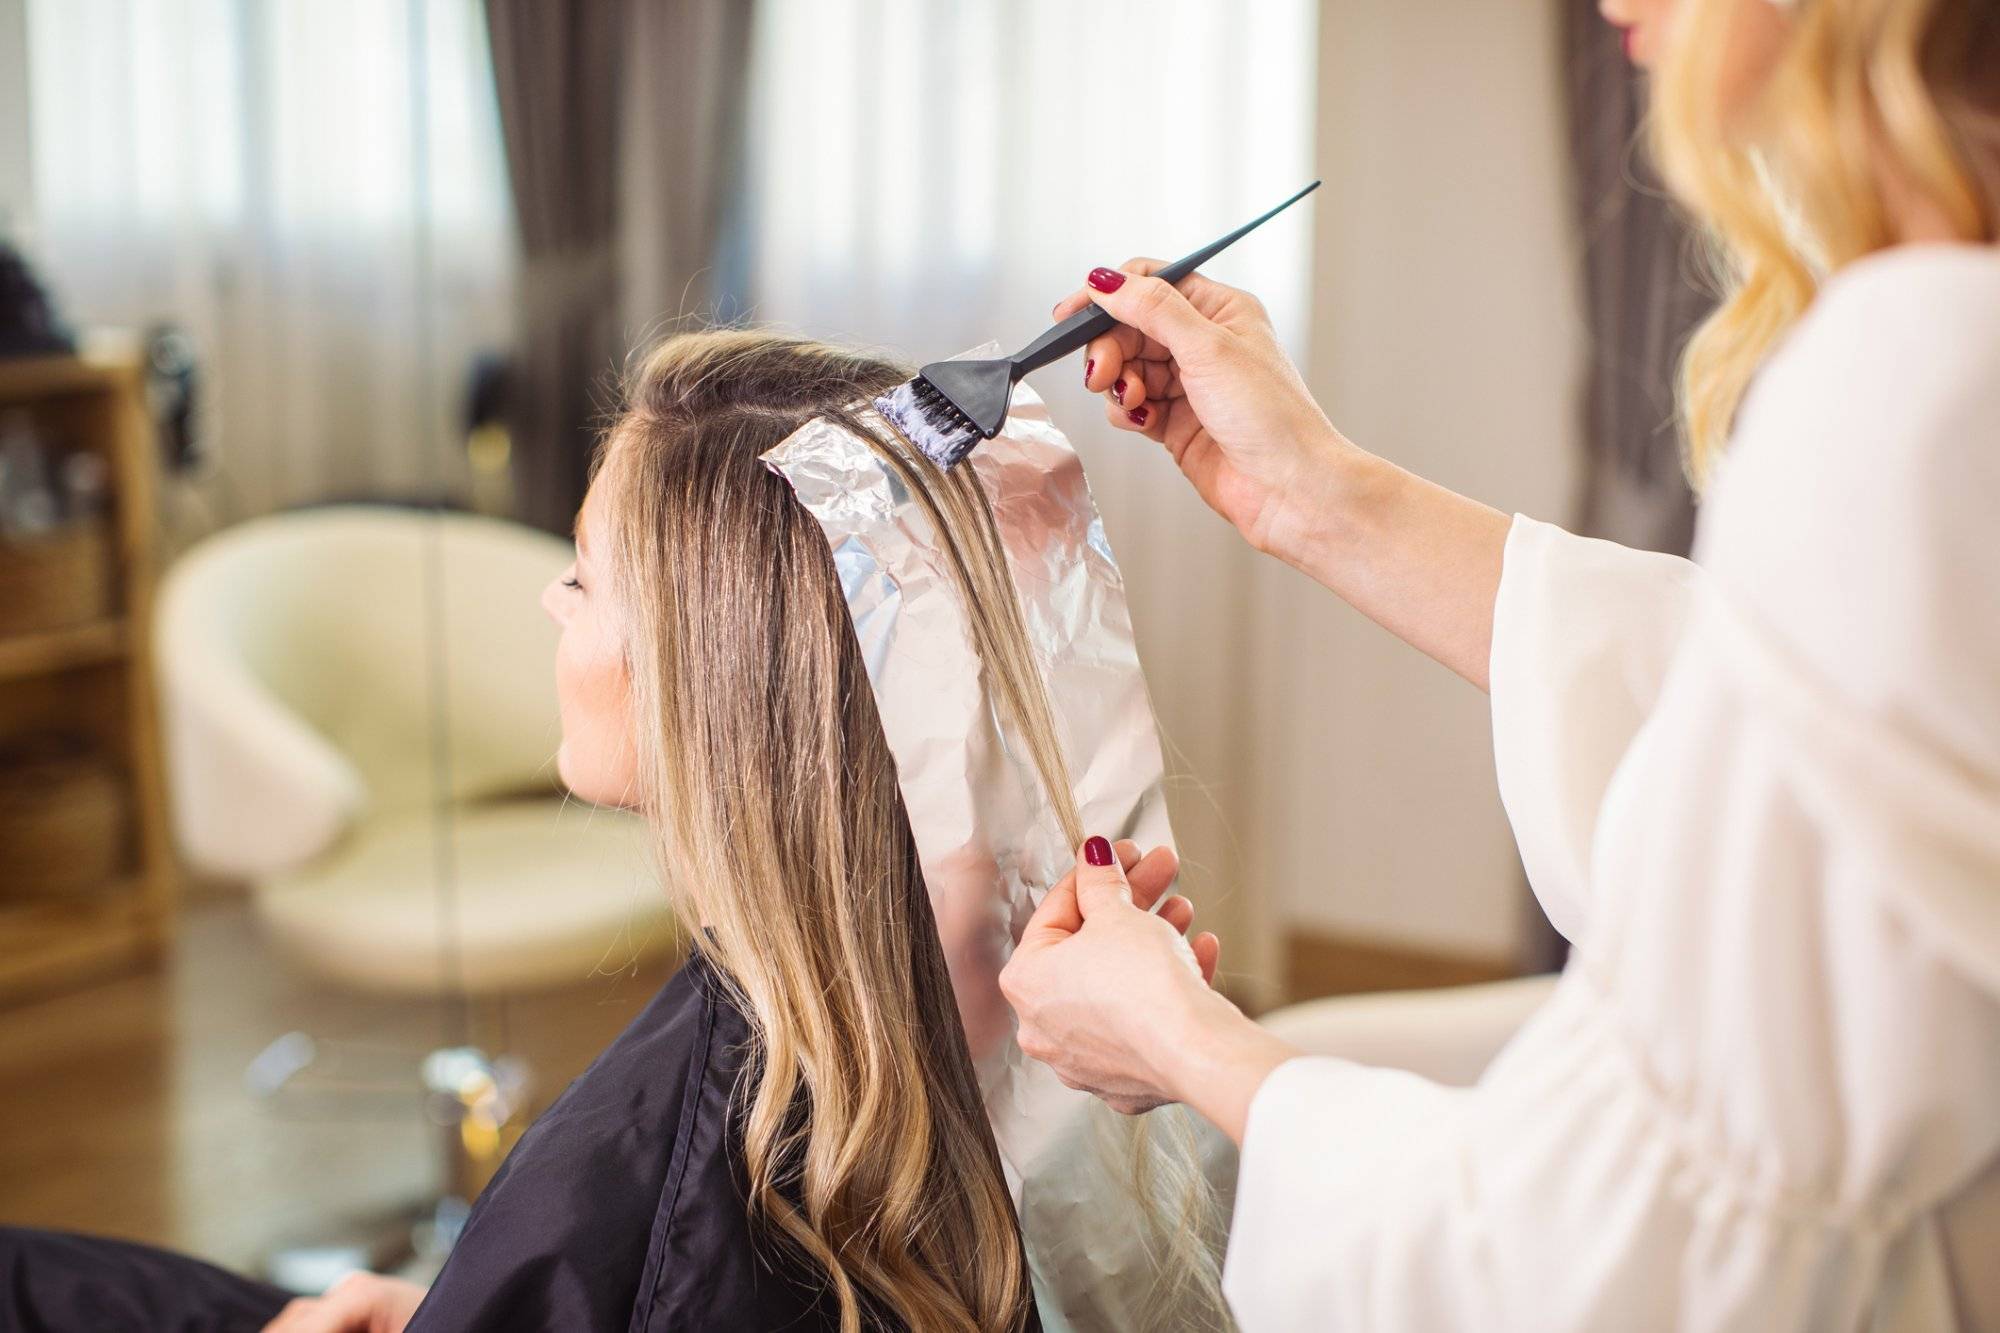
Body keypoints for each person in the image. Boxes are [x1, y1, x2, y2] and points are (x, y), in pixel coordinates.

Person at [1000, 0, 2000, 1326]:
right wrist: (1316, 497)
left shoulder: (1919, 370)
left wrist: (1185, 1041)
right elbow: (1756, 724)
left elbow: (1619, 1260)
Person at [2, 333, 1229, 1332]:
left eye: (582, 576)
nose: (547, 597)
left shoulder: (647, 1183)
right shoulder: (979, 992)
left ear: (708, 677)